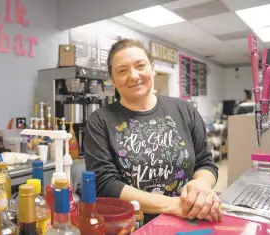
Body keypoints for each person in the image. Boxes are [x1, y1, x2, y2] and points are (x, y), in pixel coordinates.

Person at [84, 39, 223, 224]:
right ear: (113, 80)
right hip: (132, 226)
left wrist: (201, 185)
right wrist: (173, 205)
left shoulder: (184, 110)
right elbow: (105, 185)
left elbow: (205, 163)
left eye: (140, 66)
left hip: (189, 220)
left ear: (152, 68)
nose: (134, 76)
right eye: (122, 70)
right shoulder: (100, 120)